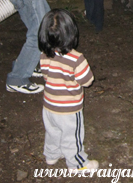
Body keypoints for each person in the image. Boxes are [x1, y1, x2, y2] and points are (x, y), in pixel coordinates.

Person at [38, 9, 99, 172]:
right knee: (72, 136)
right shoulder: (76, 58)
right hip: (69, 109)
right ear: (71, 34)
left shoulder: (44, 55)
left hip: (49, 106)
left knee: (52, 132)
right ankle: (77, 163)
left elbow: (45, 76)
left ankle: (51, 155)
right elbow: (87, 81)